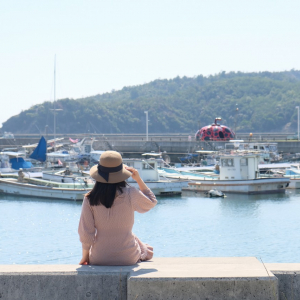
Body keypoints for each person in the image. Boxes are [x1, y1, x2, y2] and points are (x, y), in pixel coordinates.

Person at [78, 151, 157, 266]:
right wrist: (139, 180)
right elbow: (152, 202)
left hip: (99, 257)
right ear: (121, 173)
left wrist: (85, 257)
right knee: (141, 244)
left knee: (136, 240)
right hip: (128, 257)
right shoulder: (130, 193)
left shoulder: (90, 199)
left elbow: (86, 233)